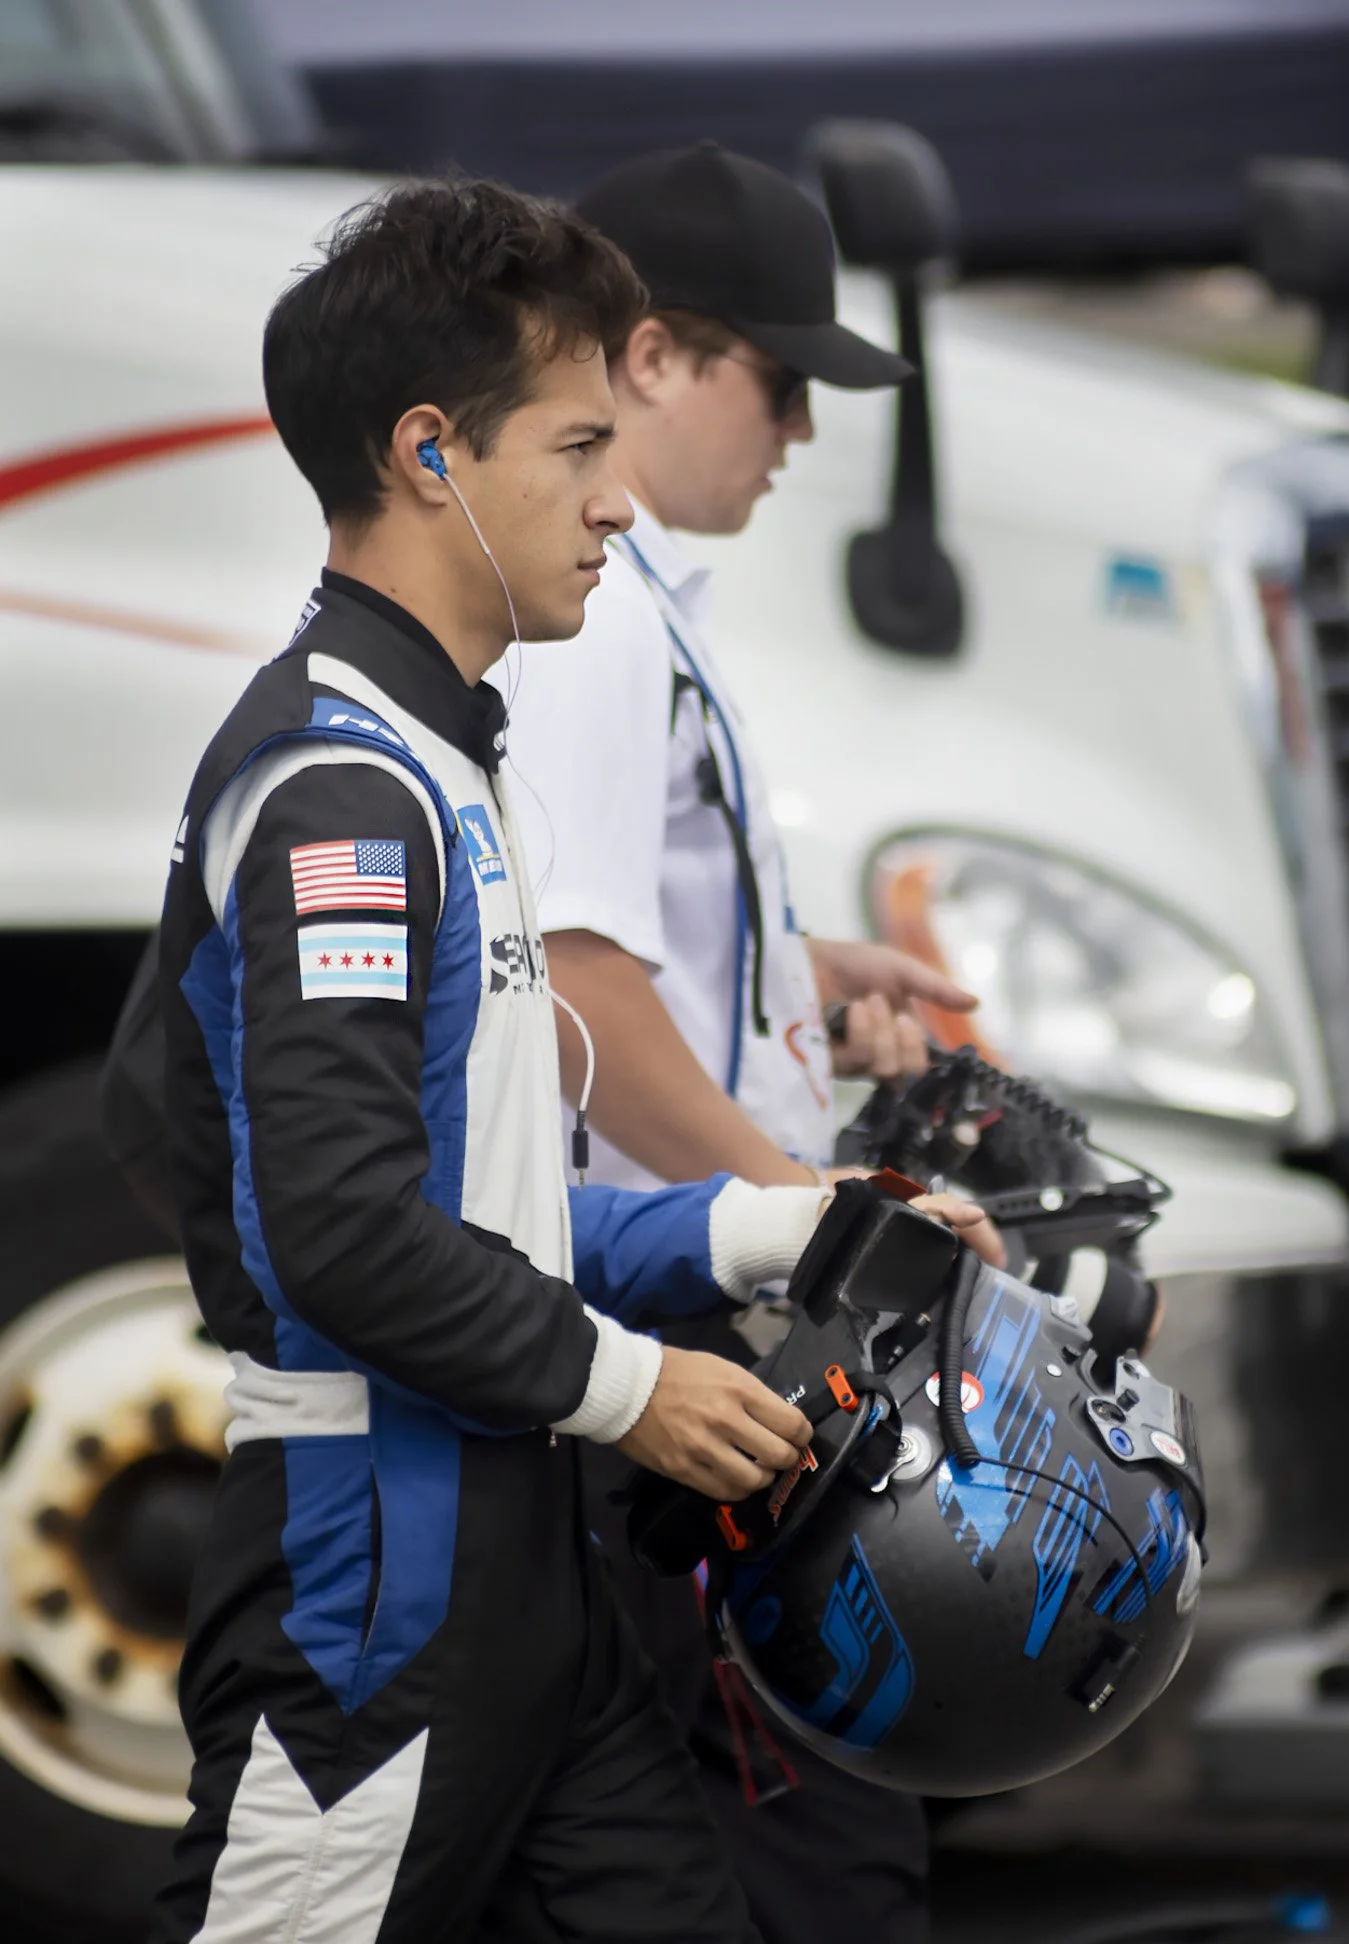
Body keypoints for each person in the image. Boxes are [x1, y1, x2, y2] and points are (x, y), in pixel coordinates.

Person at [150, 174, 999, 1944]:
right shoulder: (343, 800)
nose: (618, 500)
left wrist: (773, 1230)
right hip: (374, 1595)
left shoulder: (453, 769)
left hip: (536, 1579)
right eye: (575, 447)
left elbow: (500, 1214)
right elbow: (345, 1237)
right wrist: (635, 1388)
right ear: (430, 455)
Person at [503, 142, 980, 1944]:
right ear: (647, 358)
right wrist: (821, 1216)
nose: (799, 432)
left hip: (678, 1275)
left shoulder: (631, 605)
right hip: (658, 1300)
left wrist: (798, 976)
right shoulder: (595, 621)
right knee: (804, 1847)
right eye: (780, 382)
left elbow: (646, 945)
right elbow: (579, 989)